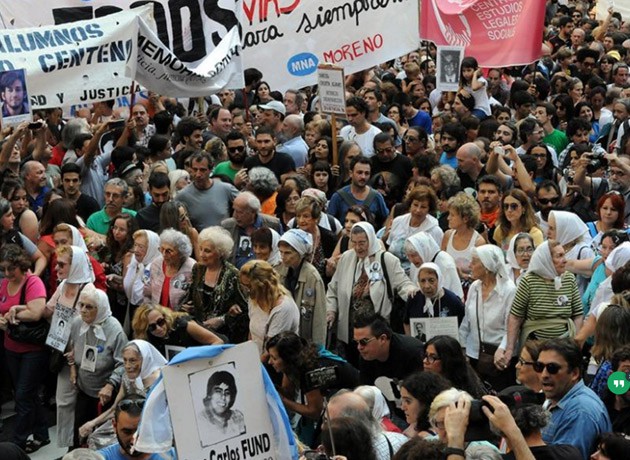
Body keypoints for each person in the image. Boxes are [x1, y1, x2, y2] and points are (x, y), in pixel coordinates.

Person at [326, 222, 416, 360]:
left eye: (362, 243)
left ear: (371, 239)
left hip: (375, 332)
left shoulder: (387, 260)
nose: (358, 247)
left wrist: (412, 292)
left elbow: (403, 283)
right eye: (354, 242)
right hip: (350, 332)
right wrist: (331, 311)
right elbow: (333, 289)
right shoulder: (346, 258)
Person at [43, 244, 96, 449]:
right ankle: (68, 446)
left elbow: (92, 327)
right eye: (57, 264)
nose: (57, 269)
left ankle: (81, 444)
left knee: (84, 403)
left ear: (76, 265)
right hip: (63, 353)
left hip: (83, 356)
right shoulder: (64, 285)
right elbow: (48, 309)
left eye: (62, 264)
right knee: (64, 401)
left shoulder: (89, 290)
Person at [266, 332, 359, 444]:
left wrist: (282, 400)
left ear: (288, 359)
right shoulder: (292, 363)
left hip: (354, 399)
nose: (269, 362)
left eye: (274, 358)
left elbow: (314, 411)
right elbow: (288, 393)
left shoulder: (311, 372)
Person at [502, 241, 583, 367]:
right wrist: (510, 349)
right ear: (547, 260)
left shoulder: (569, 278)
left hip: (564, 347)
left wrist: (575, 345)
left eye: (564, 255)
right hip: (535, 348)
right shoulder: (528, 281)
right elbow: (515, 317)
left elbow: (577, 314)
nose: (565, 260)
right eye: (559, 256)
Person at [0, 244, 49, 453]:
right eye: (4, 269)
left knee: (22, 395)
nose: (8, 273)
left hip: (32, 349)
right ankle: (42, 434)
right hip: (11, 346)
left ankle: (17, 443)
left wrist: (13, 314)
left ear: (21, 265)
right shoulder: (4, 284)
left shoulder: (33, 282)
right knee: (26, 394)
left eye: (12, 268)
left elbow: (36, 312)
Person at [69, 285, 127, 447]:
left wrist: (110, 384)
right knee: (79, 431)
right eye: (81, 305)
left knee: (100, 436)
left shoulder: (114, 329)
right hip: (83, 387)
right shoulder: (77, 323)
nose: (83, 310)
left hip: (105, 394)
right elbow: (71, 347)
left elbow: (123, 362)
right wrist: (72, 366)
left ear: (100, 308)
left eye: (89, 307)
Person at [78, 340, 166, 442]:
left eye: (133, 360)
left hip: (151, 429)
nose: (128, 366)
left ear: (145, 359)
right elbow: (115, 408)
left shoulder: (159, 381)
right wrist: (92, 423)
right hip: (127, 424)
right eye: (125, 360)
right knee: (95, 438)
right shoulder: (127, 377)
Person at [537, 338, 611, 459]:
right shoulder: (556, 398)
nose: (544, 375)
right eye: (539, 366)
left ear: (574, 373)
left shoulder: (580, 412)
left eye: (552, 368)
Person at [459, 245, 516, 390]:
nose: (470, 265)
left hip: (498, 359)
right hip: (474, 354)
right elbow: (467, 321)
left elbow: (511, 325)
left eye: (474, 262)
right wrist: (461, 347)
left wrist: (502, 349)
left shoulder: (509, 290)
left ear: (486, 266)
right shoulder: (475, 287)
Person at [181, 226, 249, 344]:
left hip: (223, 336)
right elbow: (191, 296)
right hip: (198, 331)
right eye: (200, 249)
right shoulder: (198, 268)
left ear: (220, 253)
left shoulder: (233, 274)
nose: (201, 254)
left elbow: (245, 309)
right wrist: (187, 306)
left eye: (207, 251)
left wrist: (222, 319)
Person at [275, 229, 327, 344]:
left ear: (300, 253)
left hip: (303, 338)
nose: (283, 257)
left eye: (288, 253)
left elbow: (319, 318)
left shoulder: (312, 277)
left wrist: (318, 348)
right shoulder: (279, 271)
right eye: (281, 252)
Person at [239, 260, 299, 356]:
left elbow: (271, 350)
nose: (246, 290)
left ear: (263, 286)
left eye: (249, 286)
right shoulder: (254, 298)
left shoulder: (283, 308)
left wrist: (253, 366)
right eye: (244, 285)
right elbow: (252, 333)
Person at [326, 391, 408, 460]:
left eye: (329, 422)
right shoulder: (401, 440)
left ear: (350, 424)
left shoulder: (402, 443)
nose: (323, 426)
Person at [352, 312, 424, 386]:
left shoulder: (412, 352)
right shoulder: (366, 356)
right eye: (356, 342)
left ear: (382, 339)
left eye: (363, 342)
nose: (359, 347)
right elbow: (366, 390)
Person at [385, 185, 444, 274]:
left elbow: (436, 261)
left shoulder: (435, 231)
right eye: (415, 205)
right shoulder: (397, 221)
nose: (418, 210)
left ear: (429, 209)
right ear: (410, 204)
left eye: (423, 207)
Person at [98, 394, 175, 460]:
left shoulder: (176, 456)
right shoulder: (101, 458)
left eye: (141, 433)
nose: (133, 441)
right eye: (127, 432)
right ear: (115, 426)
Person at [132, 304, 223, 358]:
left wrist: (199, 359)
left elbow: (218, 341)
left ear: (165, 317)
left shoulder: (182, 324)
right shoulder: (149, 340)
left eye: (160, 322)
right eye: (152, 327)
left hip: (213, 354)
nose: (159, 328)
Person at [404, 263, 466, 334]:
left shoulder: (452, 300)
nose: (427, 286)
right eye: (423, 281)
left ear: (439, 280)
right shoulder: (414, 298)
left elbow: (463, 325)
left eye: (431, 280)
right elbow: (406, 323)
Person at [441, 192, 485, 286]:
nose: (448, 218)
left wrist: (462, 275)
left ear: (465, 219)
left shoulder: (478, 242)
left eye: (452, 215)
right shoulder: (447, 235)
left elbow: (481, 276)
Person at [404, 232, 463, 299]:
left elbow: (451, 295)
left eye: (414, 255)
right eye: (409, 256)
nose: (411, 260)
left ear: (425, 250)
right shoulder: (417, 263)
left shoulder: (445, 264)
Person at [147, 228, 195, 310]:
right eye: (162, 249)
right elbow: (147, 289)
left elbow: (195, 298)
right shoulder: (156, 263)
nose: (164, 254)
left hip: (179, 318)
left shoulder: (192, 268)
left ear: (181, 252)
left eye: (169, 251)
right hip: (157, 315)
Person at [197, 370, 246, 445]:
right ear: (209, 394)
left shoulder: (238, 418)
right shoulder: (200, 422)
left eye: (227, 393)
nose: (223, 397)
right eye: (218, 391)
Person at [399, 371, 451, 438]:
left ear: (425, 403)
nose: (402, 407)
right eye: (402, 401)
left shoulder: (425, 438)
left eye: (408, 401)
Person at [123, 230, 160, 310]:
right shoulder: (134, 261)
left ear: (151, 248)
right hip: (131, 307)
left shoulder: (158, 268)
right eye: (135, 245)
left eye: (141, 247)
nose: (136, 250)